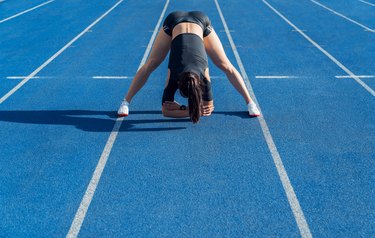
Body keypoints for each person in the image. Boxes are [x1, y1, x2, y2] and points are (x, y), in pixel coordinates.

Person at [117, 11, 260, 123]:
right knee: (151, 63)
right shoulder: (173, 73)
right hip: (173, 23)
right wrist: (190, 110)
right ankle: (126, 101)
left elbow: (206, 110)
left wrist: (184, 109)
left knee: (225, 65)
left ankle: (250, 102)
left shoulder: (204, 75)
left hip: (201, 23)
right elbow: (167, 111)